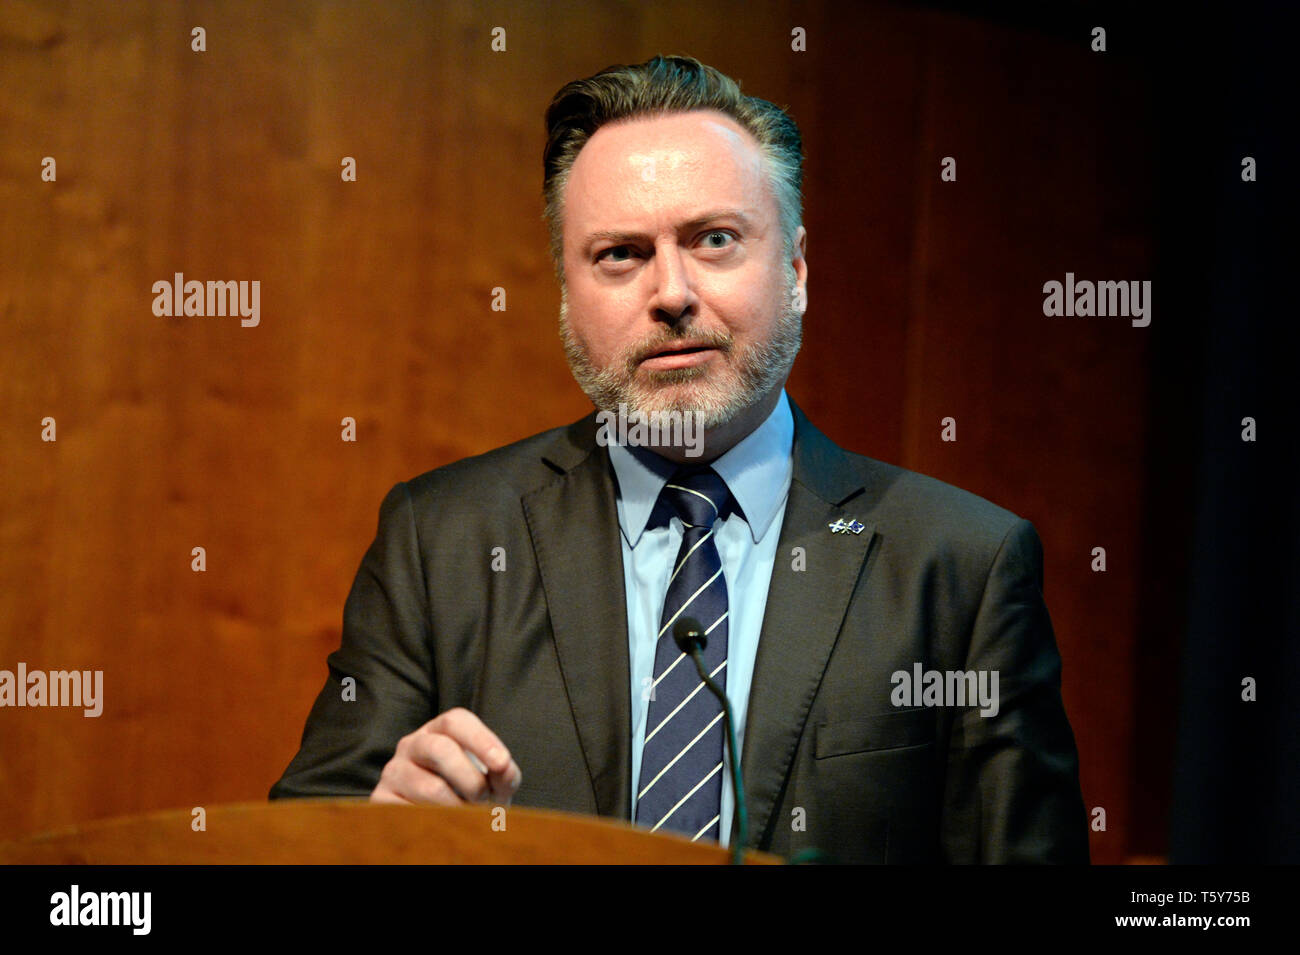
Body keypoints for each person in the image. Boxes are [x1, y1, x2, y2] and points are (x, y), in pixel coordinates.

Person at [269, 54, 1089, 863]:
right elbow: (295, 845)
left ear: (797, 270)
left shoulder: (960, 569)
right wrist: (376, 839)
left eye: (715, 239)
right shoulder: (440, 541)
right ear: (565, 293)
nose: (670, 292)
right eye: (619, 253)